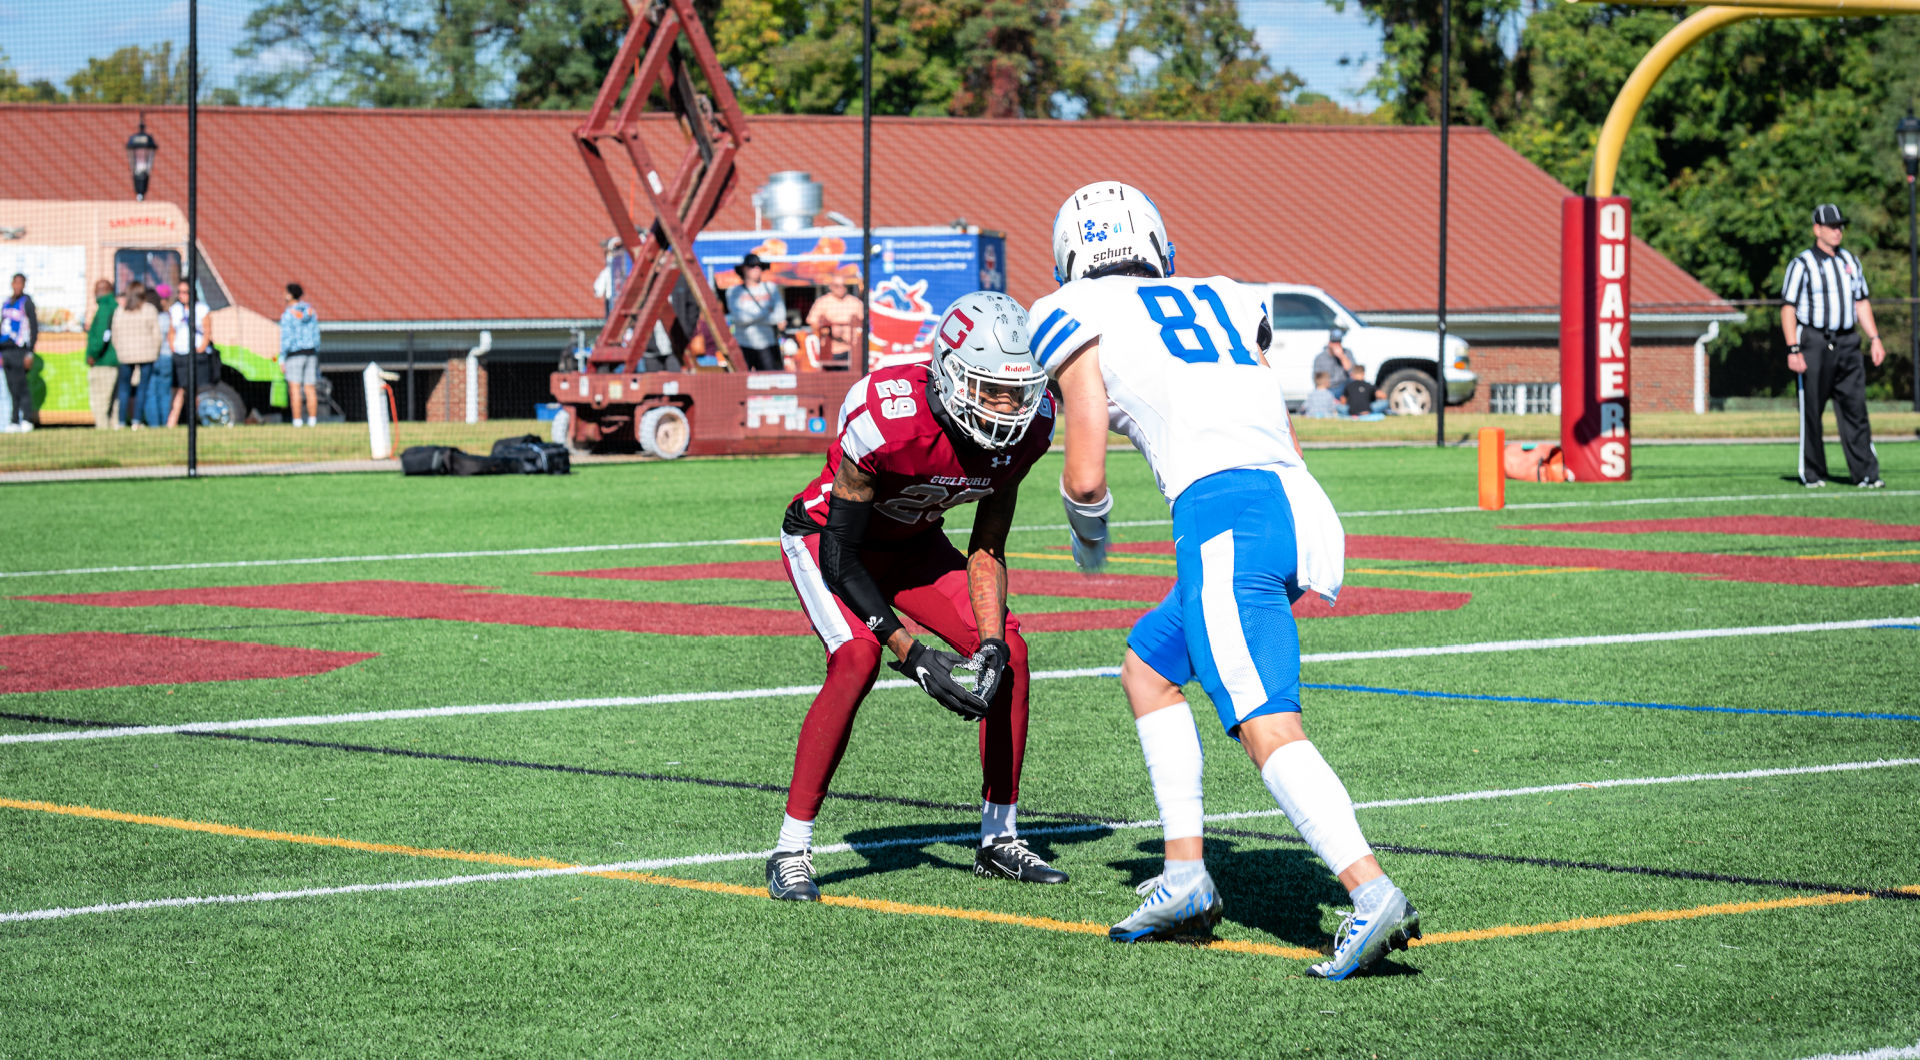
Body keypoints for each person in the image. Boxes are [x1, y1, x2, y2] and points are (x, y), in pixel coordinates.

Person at [1031, 181, 1418, 980]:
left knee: (1263, 720)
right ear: (1157, 246)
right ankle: (1184, 877)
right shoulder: (1228, 297)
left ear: (1073, 256)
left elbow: (1086, 467)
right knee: (1149, 667)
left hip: (1223, 516)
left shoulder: (1071, 312)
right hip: (1294, 500)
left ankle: (1370, 889)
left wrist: (1088, 533)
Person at [766, 290, 1067, 902]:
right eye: (991, 389)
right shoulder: (887, 415)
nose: (1009, 407)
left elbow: (987, 546)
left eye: (1019, 390)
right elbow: (842, 558)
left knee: (1010, 651)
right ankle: (790, 847)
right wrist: (916, 656)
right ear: (952, 372)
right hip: (828, 541)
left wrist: (986, 644)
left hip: (913, 545)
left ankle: (998, 838)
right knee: (857, 658)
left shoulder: (1030, 429)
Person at [1782, 203, 1885, 488]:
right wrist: (1793, 348)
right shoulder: (1802, 264)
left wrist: (1874, 338)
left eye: (1840, 226)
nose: (1838, 231)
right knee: (1812, 410)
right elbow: (1788, 307)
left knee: (1856, 409)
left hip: (1848, 341)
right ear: (1817, 229)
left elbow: (1861, 301)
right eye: (1831, 226)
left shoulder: (1849, 262)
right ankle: (1813, 473)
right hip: (1814, 341)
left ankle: (1866, 473)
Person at [113, 282, 163, 430]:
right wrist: (156, 352)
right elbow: (157, 335)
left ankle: (121, 422)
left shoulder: (120, 311)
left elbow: (115, 335)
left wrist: (120, 351)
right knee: (143, 389)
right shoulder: (149, 310)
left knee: (124, 389)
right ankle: (136, 421)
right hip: (147, 354)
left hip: (125, 356)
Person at [727, 253, 783, 371]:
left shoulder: (770, 287)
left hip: (768, 345)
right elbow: (739, 318)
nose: (757, 269)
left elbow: (780, 316)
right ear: (744, 269)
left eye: (759, 266)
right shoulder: (734, 291)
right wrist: (765, 312)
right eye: (752, 266)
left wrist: (751, 316)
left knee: (770, 382)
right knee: (742, 382)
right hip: (744, 344)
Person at [165, 284, 211, 428]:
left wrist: (202, 347)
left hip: (196, 354)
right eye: (179, 292)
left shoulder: (201, 309)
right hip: (181, 354)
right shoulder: (175, 310)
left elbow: (207, 331)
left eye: (185, 292)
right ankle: (173, 421)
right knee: (180, 389)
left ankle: (197, 420)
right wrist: (173, 346)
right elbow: (171, 331)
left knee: (194, 389)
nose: (182, 295)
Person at [0, 273, 38, 432]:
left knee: (21, 386)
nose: (17, 286)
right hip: (5, 351)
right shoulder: (7, 303)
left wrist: (30, 353)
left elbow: (34, 328)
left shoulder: (27, 302)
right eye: (15, 283)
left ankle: (27, 418)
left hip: (19, 351)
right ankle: (14, 420)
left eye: (20, 283)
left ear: (24, 285)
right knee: (11, 388)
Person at [280, 283, 321, 427]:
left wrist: (282, 357)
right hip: (311, 353)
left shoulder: (288, 315)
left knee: (295, 388)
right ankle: (312, 421)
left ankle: (297, 421)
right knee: (310, 388)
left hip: (294, 354)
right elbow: (316, 336)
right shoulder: (311, 311)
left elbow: (286, 338)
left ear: (290, 295)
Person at [805, 271, 864, 369]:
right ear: (831, 286)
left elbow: (864, 324)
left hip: (852, 351)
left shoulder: (855, 302)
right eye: (837, 286)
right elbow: (812, 322)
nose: (841, 289)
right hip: (830, 351)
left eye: (843, 285)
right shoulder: (823, 302)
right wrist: (828, 330)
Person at [85, 279, 120, 429]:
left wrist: (93, 353)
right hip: (115, 361)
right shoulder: (116, 307)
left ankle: (103, 430)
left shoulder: (105, 308)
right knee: (113, 402)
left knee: (99, 402)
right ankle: (114, 431)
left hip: (103, 362)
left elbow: (102, 334)